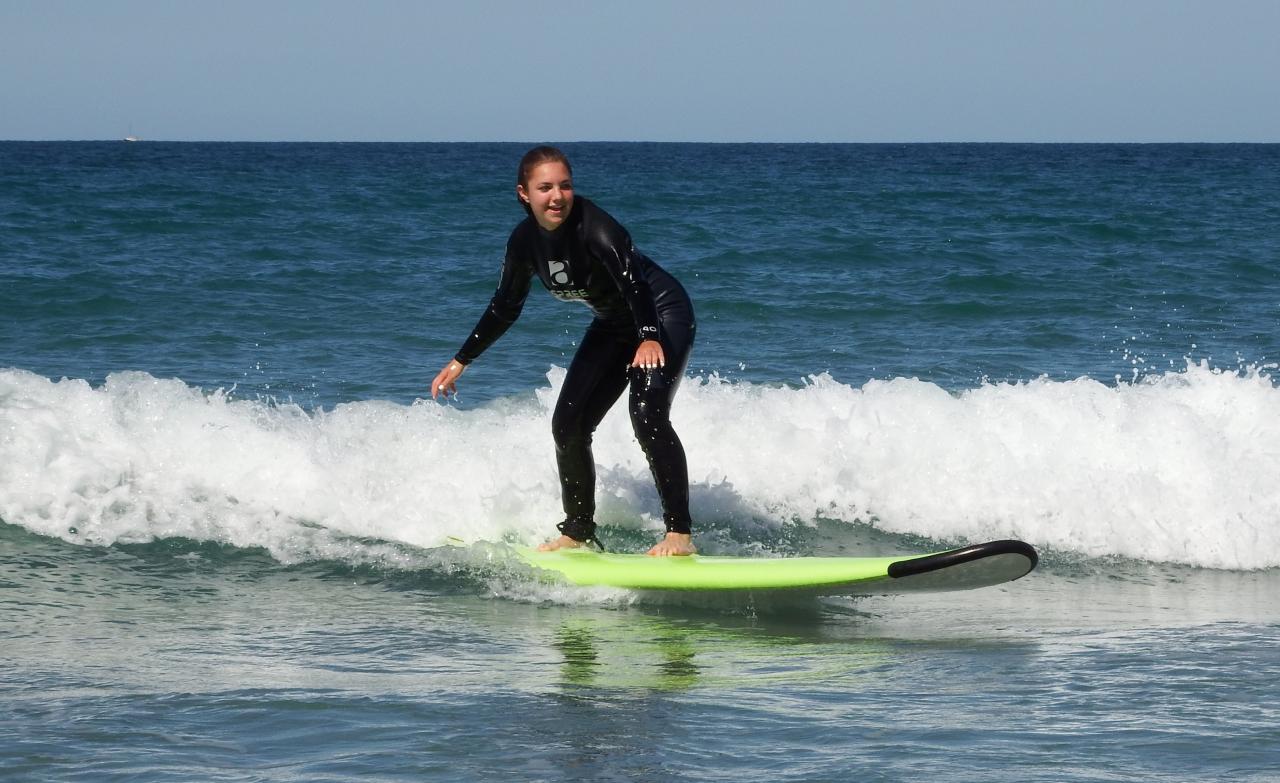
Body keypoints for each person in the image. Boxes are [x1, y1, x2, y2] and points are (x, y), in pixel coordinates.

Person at [431, 146, 698, 557]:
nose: (557, 196)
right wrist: (461, 359)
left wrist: (649, 336)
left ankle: (679, 534)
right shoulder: (524, 243)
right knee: (567, 426)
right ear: (524, 193)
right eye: (545, 187)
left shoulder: (598, 229)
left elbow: (635, 286)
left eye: (565, 185)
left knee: (647, 414)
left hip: (661, 316)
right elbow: (505, 306)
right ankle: (578, 532)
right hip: (614, 325)